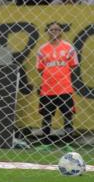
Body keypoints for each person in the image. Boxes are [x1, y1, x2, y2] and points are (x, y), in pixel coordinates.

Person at [36, 22, 79, 151]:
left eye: (57, 29)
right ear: (48, 32)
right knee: (46, 115)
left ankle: (68, 143)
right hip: (48, 88)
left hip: (65, 87)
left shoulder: (68, 47)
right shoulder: (42, 49)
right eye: (52, 29)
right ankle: (46, 143)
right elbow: (39, 68)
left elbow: (74, 64)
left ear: (61, 31)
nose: (54, 31)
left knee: (67, 115)